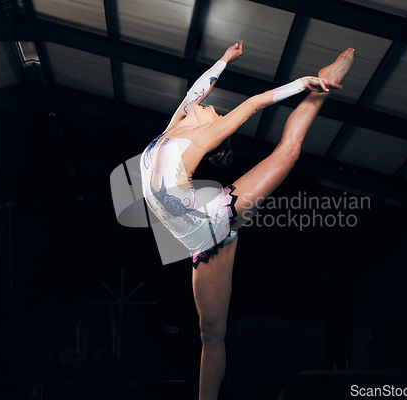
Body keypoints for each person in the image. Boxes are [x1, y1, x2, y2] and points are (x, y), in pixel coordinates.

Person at [140, 41, 354, 400]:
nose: (209, 107)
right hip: (196, 239)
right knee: (211, 333)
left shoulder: (203, 135)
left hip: (209, 218)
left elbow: (255, 103)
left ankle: (322, 87)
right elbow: (198, 89)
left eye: (214, 113)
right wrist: (224, 59)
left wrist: (303, 83)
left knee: (288, 151)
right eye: (206, 107)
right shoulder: (176, 123)